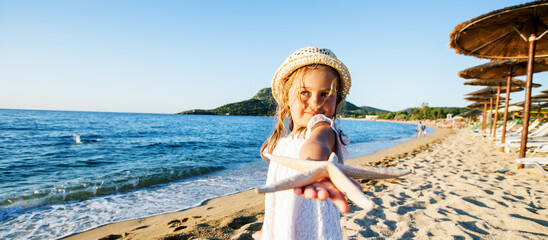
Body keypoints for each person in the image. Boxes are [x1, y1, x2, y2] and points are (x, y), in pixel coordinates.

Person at [254, 47, 353, 240]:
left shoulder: (325, 129)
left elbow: (318, 143)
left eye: (325, 94)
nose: (315, 102)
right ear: (286, 97)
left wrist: (313, 167)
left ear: (337, 100)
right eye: (305, 92)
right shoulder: (283, 144)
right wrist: (266, 229)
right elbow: (274, 199)